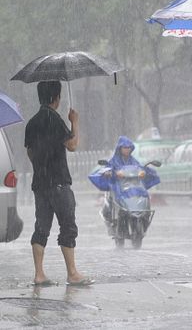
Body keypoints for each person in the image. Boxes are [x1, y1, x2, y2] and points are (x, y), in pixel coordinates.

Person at [24, 81, 94, 286]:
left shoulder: (32, 122)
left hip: (41, 184)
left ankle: (39, 274)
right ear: (56, 97)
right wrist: (75, 122)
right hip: (59, 184)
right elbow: (72, 145)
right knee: (68, 227)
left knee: (41, 228)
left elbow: (29, 152)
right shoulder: (54, 119)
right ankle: (72, 273)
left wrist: (41, 164)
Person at [100, 136, 144, 226]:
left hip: (132, 185)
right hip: (117, 185)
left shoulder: (133, 160)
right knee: (113, 197)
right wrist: (109, 172)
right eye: (125, 147)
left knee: (143, 194)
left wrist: (142, 172)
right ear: (120, 148)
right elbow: (107, 168)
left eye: (129, 147)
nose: (127, 150)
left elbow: (139, 168)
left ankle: (142, 215)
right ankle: (113, 219)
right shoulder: (114, 160)